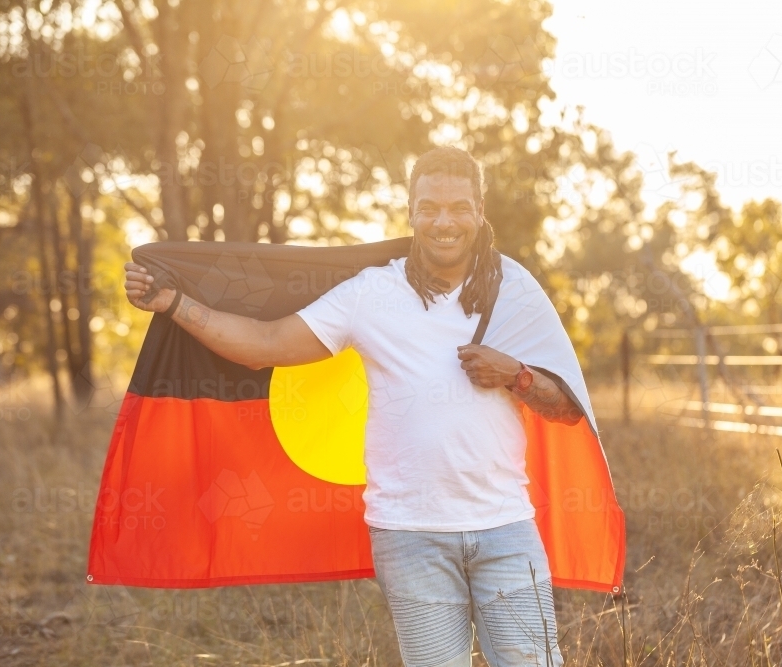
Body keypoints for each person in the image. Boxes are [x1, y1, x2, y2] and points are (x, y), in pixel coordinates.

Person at [124, 146, 582, 667]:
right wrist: (174, 303)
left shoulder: (516, 289)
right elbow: (265, 343)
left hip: (506, 527)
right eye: (429, 207)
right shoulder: (371, 292)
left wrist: (516, 375)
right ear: (410, 211)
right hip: (410, 535)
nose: (444, 221)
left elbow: (568, 408)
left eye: (459, 207)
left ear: (480, 212)